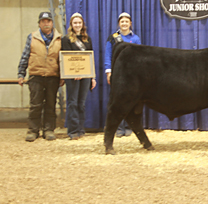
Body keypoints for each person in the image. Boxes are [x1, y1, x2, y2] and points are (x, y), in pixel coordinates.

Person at [18, 12, 64, 142]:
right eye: (43, 21)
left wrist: (63, 76)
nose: (46, 23)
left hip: (52, 76)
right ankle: (33, 130)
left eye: (48, 21)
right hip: (35, 76)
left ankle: (48, 130)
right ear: (39, 23)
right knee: (35, 104)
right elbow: (25, 56)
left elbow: (62, 59)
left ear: (52, 23)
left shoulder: (60, 39)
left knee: (50, 104)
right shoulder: (32, 37)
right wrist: (21, 73)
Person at [104, 12, 141, 137]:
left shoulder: (135, 38)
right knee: (117, 100)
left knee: (131, 100)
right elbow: (108, 55)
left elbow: (139, 57)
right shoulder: (113, 37)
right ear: (119, 23)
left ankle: (128, 126)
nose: (124, 24)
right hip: (117, 73)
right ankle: (118, 128)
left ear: (130, 23)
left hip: (132, 75)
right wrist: (108, 71)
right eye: (122, 21)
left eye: (126, 21)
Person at [61, 12, 96, 140]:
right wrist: (75, 72)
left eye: (79, 23)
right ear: (71, 24)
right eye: (75, 23)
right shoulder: (66, 39)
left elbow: (90, 58)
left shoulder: (87, 39)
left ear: (82, 25)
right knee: (73, 102)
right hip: (73, 76)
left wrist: (93, 77)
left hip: (86, 75)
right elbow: (67, 58)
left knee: (81, 103)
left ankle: (81, 129)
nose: (77, 25)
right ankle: (73, 130)